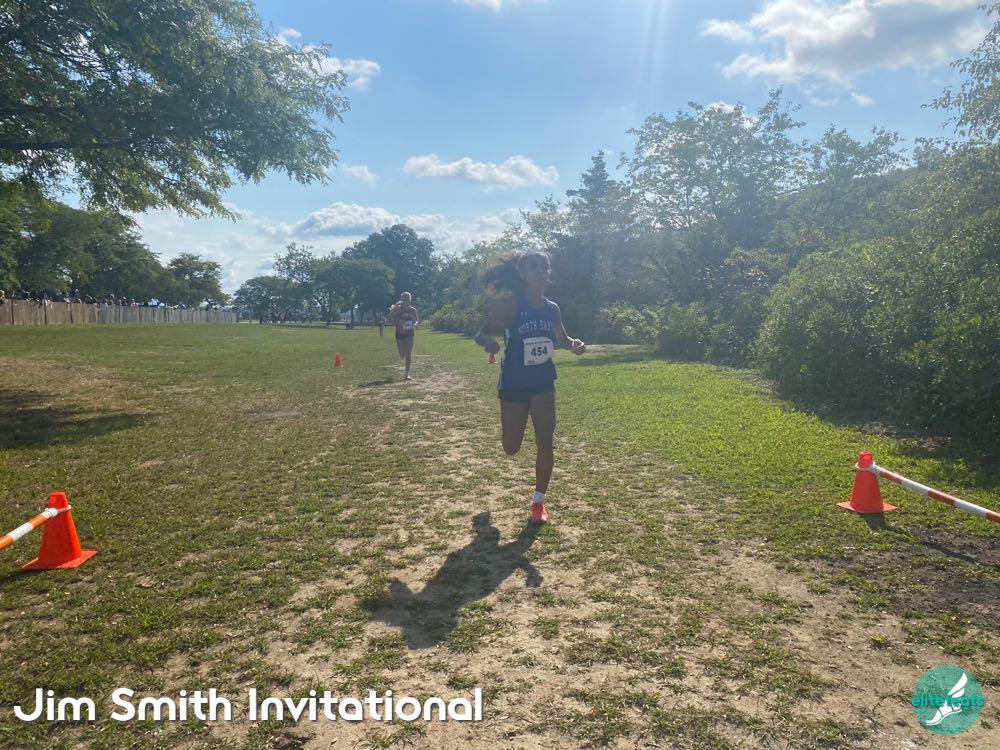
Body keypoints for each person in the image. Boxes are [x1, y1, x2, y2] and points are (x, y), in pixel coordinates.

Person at [473, 251, 585, 524]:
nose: (541, 271)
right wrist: (489, 344)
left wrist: (573, 345)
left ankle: (539, 502)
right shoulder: (510, 305)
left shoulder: (552, 308)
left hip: (543, 380)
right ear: (522, 274)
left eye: (544, 267)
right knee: (511, 446)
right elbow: (481, 333)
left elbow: (562, 338)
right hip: (514, 381)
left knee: (545, 439)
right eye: (534, 267)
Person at [386, 292, 419, 380]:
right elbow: (388, 317)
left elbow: (417, 320)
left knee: (408, 353)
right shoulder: (398, 309)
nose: (406, 301)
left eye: (407, 299)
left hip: (409, 333)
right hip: (399, 333)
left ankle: (407, 374)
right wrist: (395, 318)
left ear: (410, 300)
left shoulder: (413, 310)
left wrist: (415, 324)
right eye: (404, 299)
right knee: (402, 355)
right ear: (402, 300)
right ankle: (403, 356)